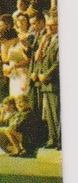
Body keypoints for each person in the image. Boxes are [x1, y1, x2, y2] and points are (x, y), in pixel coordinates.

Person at [33, 9, 60, 149]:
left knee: (56, 112)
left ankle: (60, 140)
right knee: (49, 113)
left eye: (53, 25)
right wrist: (43, 42)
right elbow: (38, 58)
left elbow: (58, 62)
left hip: (54, 81)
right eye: (48, 25)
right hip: (45, 82)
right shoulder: (48, 40)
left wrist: (46, 75)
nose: (49, 28)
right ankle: (52, 138)